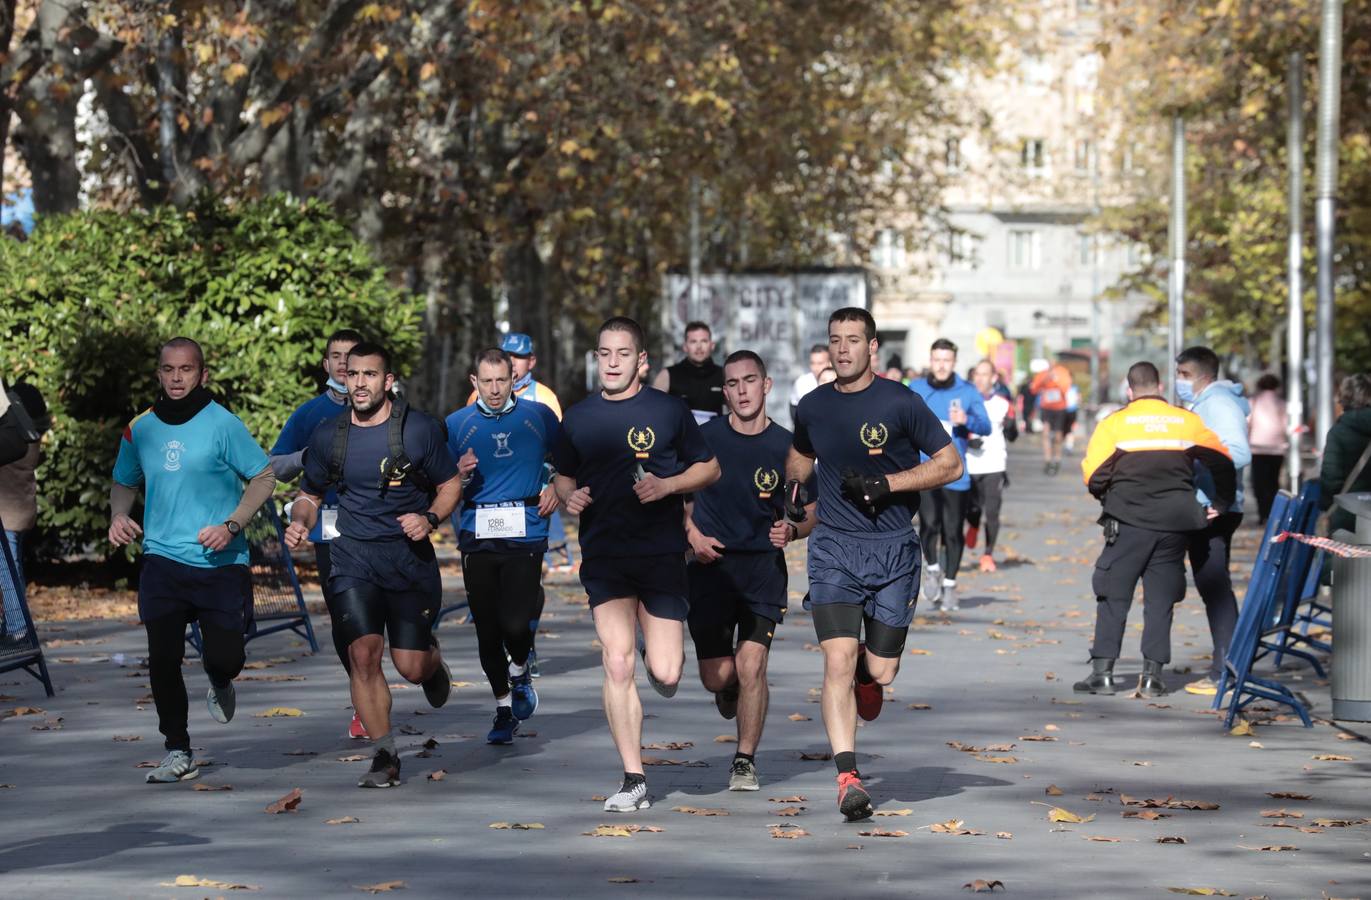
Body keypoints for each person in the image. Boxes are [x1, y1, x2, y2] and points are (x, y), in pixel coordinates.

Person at [785, 307, 961, 822]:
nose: (842, 350)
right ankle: (848, 778)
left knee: (880, 671)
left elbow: (950, 465)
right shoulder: (813, 406)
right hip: (834, 548)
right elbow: (800, 455)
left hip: (893, 550)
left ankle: (869, 672)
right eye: (835, 340)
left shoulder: (902, 402)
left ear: (872, 347)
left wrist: (889, 484)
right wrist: (796, 490)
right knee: (834, 661)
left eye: (853, 340)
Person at [553, 316, 720, 812]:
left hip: (662, 553)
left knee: (666, 674)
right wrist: (570, 496)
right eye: (604, 353)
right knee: (617, 660)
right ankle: (633, 778)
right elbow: (562, 477)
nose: (611, 362)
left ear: (641, 361)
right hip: (605, 556)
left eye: (622, 354)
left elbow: (709, 467)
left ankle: (658, 654)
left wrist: (667, 486)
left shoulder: (669, 411)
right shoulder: (578, 418)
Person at [284, 341, 461, 789]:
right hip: (352, 558)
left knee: (410, 667)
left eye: (369, 375)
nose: (359, 382)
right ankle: (384, 755)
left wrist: (430, 518)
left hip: (407, 561)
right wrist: (300, 520)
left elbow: (450, 483)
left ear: (388, 381)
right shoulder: (329, 434)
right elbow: (310, 493)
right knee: (362, 655)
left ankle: (433, 664)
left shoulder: (418, 430)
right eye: (353, 374)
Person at [108, 338, 276, 784]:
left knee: (227, 658)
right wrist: (119, 514)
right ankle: (177, 749)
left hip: (221, 561)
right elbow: (124, 480)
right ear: (159, 374)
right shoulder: (139, 427)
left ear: (202, 374)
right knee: (162, 657)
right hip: (162, 559)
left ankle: (220, 678)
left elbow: (263, 476)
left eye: (186, 369)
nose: (176, 377)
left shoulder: (223, 424)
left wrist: (232, 525)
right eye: (168, 369)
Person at [685, 350, 817, 792]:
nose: (741, 391)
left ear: (767, 385)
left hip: (763, 570)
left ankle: (744, 760)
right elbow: (675, 499)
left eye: (749, 381)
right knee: (719, 675)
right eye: (732, 384)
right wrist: (692, 536)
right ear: (724, 391)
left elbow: (813, 508)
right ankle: (727, 689)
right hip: (710, 567)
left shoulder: (788, 447)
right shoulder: (703, 440)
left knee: (753, 664)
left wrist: (794, 530)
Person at [1075, 361, 1235, 699]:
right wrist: (1220, 502)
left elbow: (1093, 476)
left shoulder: (1114, 424)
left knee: (1113, 595)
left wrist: (1111, 495)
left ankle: (1102, 675)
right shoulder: (1186, 421)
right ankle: (1152, 678)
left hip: (1128, 523)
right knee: (1161, 600)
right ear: (1160, 387)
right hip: (1175, 524)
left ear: (1129, 390)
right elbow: (1222, 461)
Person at [446, 348, 560, 744]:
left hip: (525, 529)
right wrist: (456, 475)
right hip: (477, 532)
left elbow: (569, 459)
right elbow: (438, 480)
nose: (495, 390)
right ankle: (503, 708)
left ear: (515, 379)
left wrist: (556, 487)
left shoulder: (538, 416)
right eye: (487, 381)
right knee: (486, 631)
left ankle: (520, 669)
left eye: (502, 380)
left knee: (515, 621)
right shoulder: (457, 424)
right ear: (473, 382)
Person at [270, 327, 365, 738]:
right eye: (336, 356)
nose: (343, 363)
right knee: (346, 622)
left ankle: (420, 662)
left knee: (383, 622)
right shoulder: (310, 414)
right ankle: (365, 702)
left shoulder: (389, 410)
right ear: (326, 365)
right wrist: (307, 456)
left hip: (378, 529)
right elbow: (273, 467)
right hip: (329, 530)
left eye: (351, 356)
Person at [467, 332, 568, 667]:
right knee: (495, 593)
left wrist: (553, 484)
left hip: (533, 500)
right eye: (507, 354)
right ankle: (511, 647)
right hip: (487, 507)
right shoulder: (476, 396)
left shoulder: (545, 401)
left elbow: (561, 452)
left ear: (530, 362)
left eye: (518, 357)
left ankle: (526, 639)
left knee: (524, 587)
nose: (513, 360)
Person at [1174, 347, 1251, 697]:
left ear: (1200, 375)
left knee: (1214, 585)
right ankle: (1226, 665)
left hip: (1216, 508)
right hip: (1212, 503)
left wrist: (1194, 457)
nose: (1179, 381)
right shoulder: (1208, 403)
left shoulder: (1218, 404)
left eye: (1183, 374)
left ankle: (1227, 669)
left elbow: (1237, 451)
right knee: (1211, 584)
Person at [910, 339, 990, 612]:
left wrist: (966, 421)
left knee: (953, 531)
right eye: (937, 360)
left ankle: (951, 586)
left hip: (956, 473)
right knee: (930, 524)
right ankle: (933, 568)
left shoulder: (967, 391)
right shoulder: (917, 388)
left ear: (954, 362)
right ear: (930, 360)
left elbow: (986, 426)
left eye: (946, 360)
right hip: (924, 469)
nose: (941, 365)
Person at [0, 379, 48, 644]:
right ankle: (15, 625)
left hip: (7, 513)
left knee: (7, 571)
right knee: (12, 569)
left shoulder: (17, 439)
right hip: (19, 513)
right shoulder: (31, 437)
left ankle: (18, 628)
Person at [964, 360, 1015, 573]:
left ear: (993, 378)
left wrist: (1011, 426)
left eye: (985, 374)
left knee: (992, 512)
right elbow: (952, 430)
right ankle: (973, 525)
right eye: (977, 374)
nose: (980, 378)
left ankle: (988, 555)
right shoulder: (964, 401)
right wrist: (968, 441)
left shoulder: (1003, 403)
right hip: (969, 463)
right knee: (972, 509)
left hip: (994, 463)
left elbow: (1012, 435)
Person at [1319, 373, 1371, 534]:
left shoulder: (1339, 431)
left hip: (1347, 515)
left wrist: (1328, 505)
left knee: (1339, 557)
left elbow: (1330, 477)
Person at [653, 321, 725, 424]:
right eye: (693, 342)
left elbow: (736, 412)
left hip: (715, 438)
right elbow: (653, 412)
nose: (699, 346)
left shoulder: (724, 375)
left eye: (704, 341)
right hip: (678, 438)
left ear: (712, 345)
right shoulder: (667, 376)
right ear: (685, 346)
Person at [1248, 374, 1289, 526]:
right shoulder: (1281, 403)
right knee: (1273, 482)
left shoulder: (1254, 401)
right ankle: (1274, 514)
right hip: (1277, 449)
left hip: (1257, 448)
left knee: (1259, 483)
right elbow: (1286, 425)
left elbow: (1247, 423)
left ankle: (1262, 514)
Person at [1031, 359, 1073, 474]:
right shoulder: (1043, 373)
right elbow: (1034, 388)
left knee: (1058, 435)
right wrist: (1045, 379)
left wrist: (1056, 380)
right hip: (1046, 408)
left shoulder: (1062, 372)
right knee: (1046, 433)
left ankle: (1057, 459)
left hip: (1060, 408)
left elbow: (1066, 387)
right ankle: (1048, 460)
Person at [789, 344, 830, 421]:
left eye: (820, 363)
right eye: (812, 363)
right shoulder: (801, 383)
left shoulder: (839, 381)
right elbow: (794, 410)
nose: (815, 368)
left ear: (830, 363)